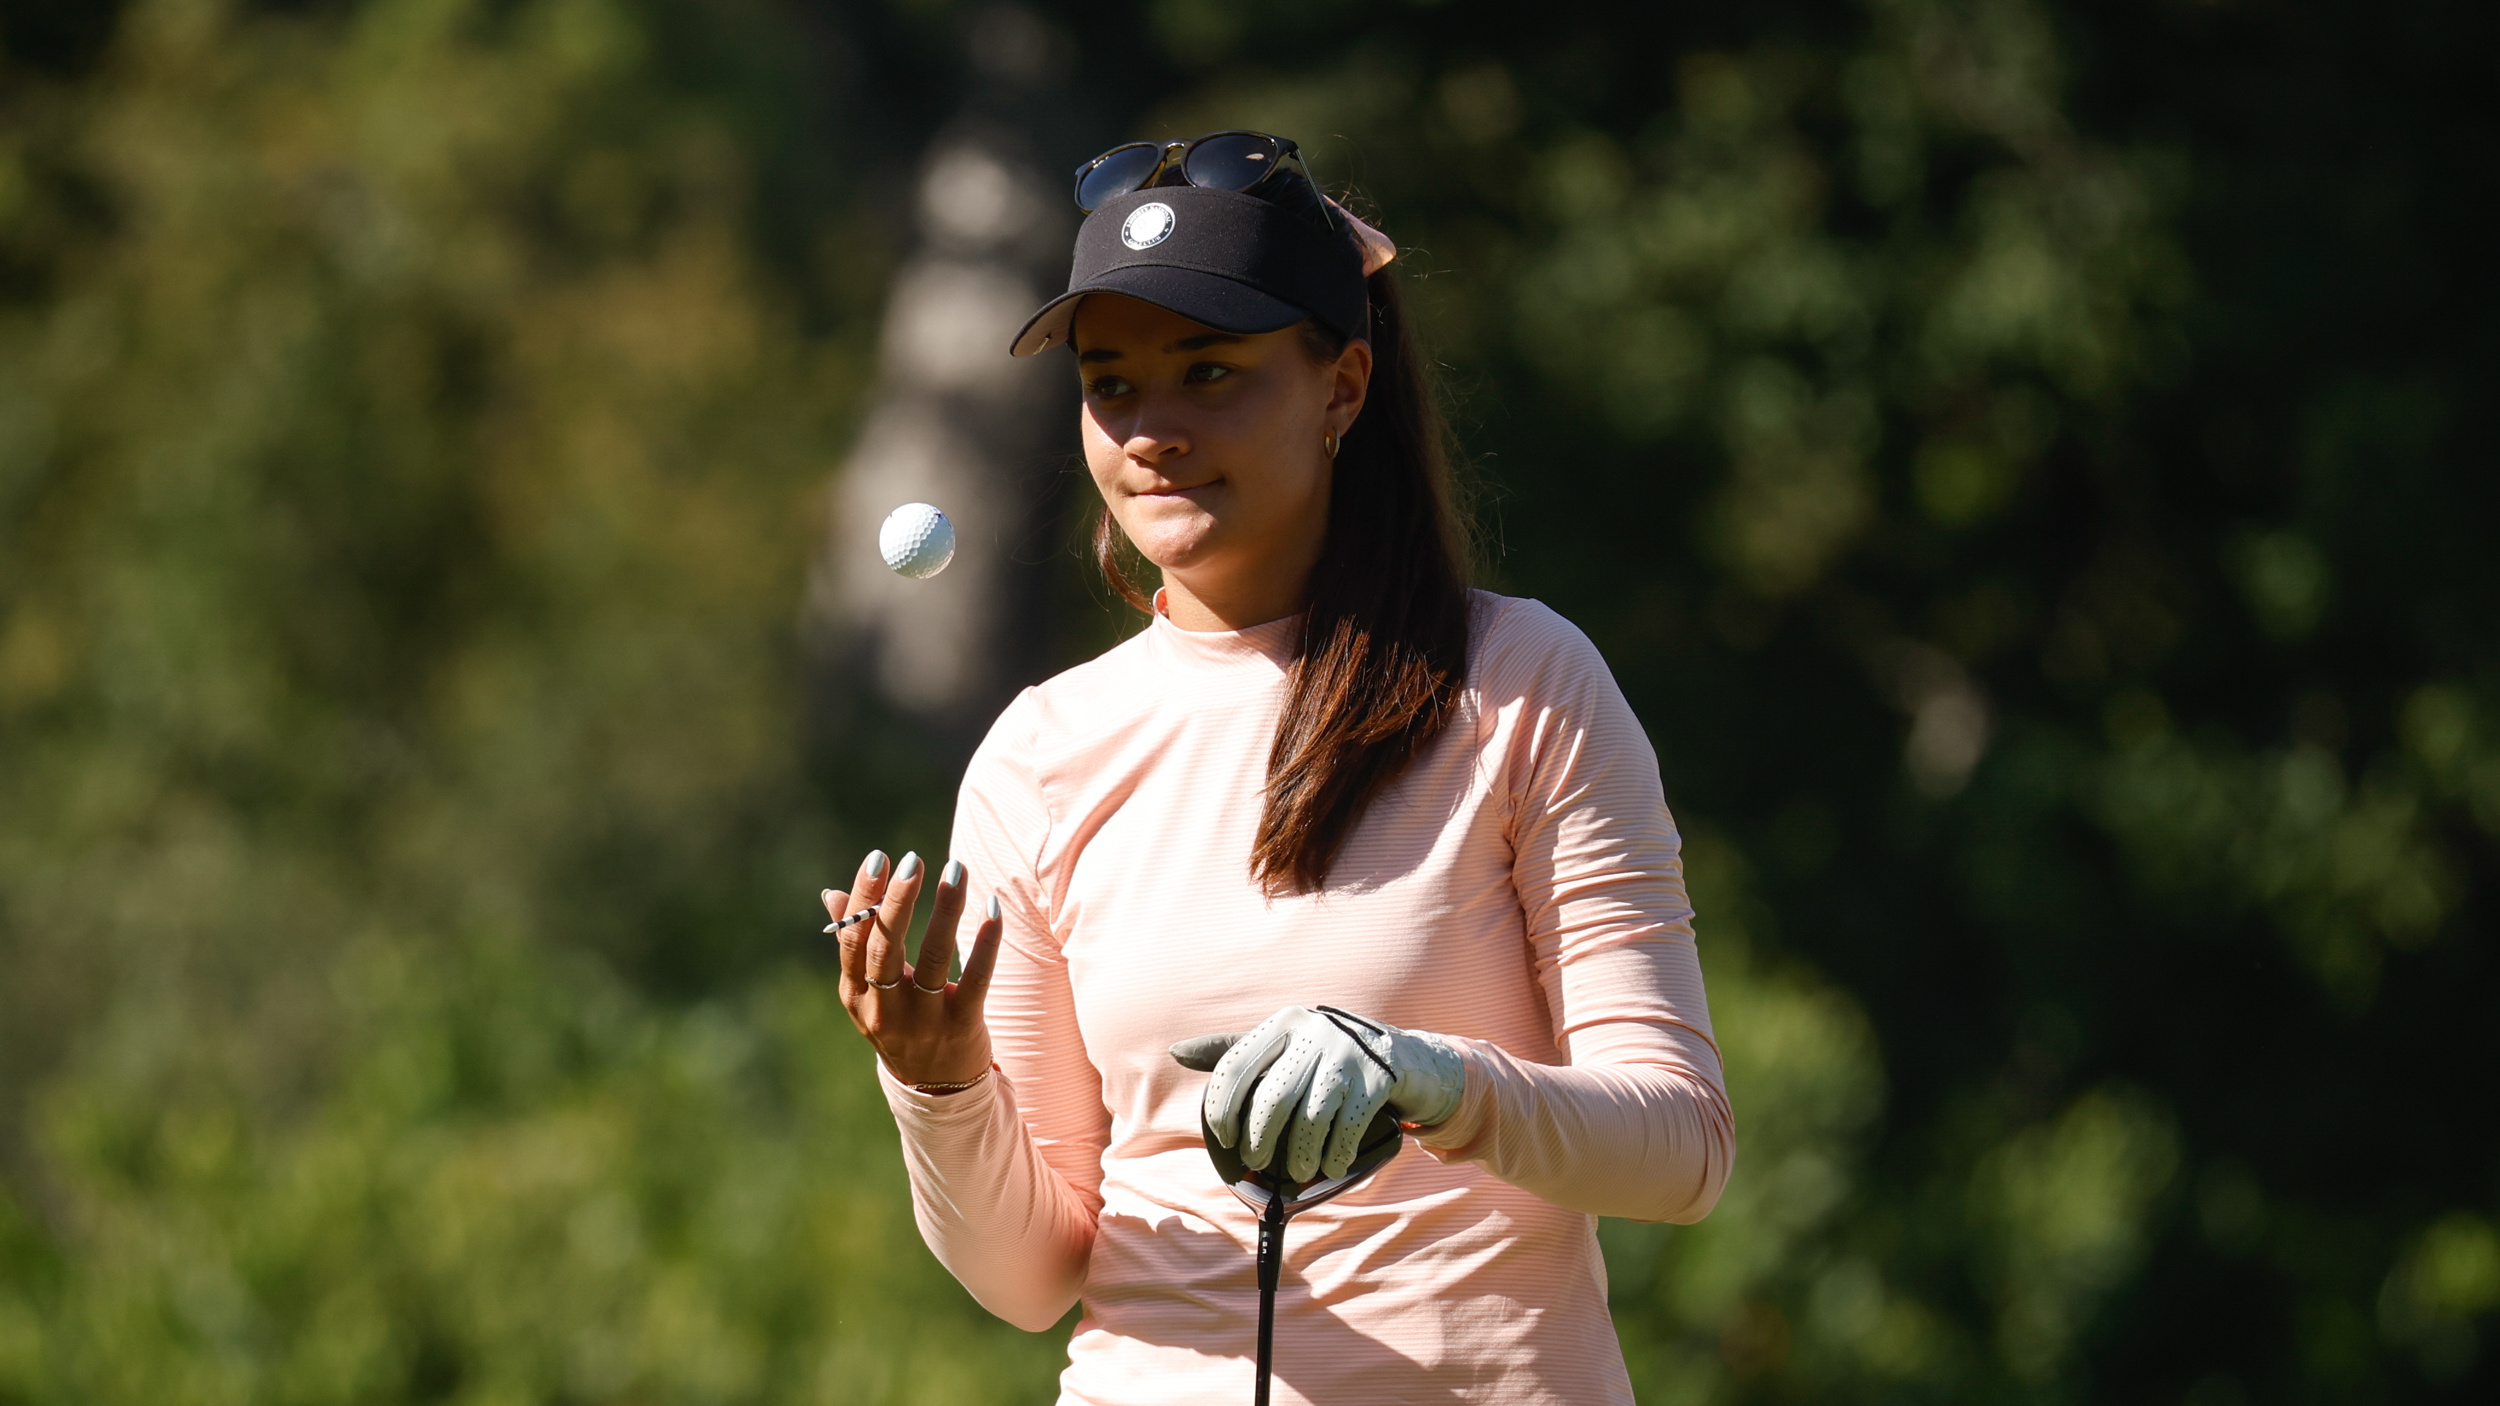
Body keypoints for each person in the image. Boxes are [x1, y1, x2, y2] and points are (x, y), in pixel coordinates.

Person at [820, 131, 1734, 1406]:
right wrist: (937, 1083)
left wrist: (1428, 1075)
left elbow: (1679, 1146)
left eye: (1211, 372)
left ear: (1342, 386)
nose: (1153, 431)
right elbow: (1028, 1275)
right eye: (1112, 384)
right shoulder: (1039, 752)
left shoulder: (1522, 681)